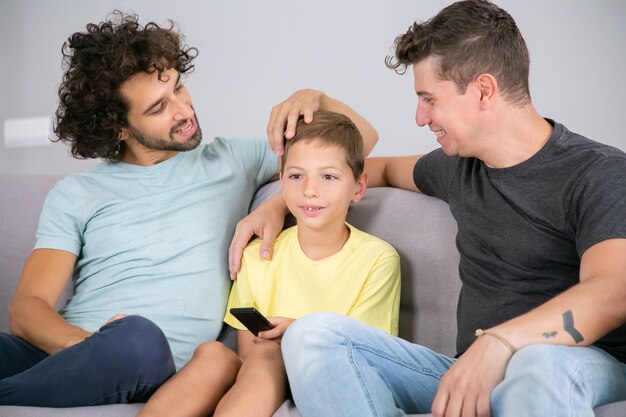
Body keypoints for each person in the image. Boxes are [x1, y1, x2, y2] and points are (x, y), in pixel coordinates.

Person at [0, 11, 378, 407]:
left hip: (146, 358)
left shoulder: (231, 160)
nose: (183, 110)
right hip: (72, 351)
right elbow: (28, 308)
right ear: (119, 128)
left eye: (179, 88)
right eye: (158, 108)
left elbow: (359, 145)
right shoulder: (78, 191)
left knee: (139, 339)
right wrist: (86, 346)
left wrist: (315, 99)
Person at [279, 1, 626, 416]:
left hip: (580, 362)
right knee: (311, 334)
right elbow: (369, 170)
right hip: (468, 370)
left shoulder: (599, 172)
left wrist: (500, 343)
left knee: (538, 362)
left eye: (429, 99)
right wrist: (279, 203)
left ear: (483, 90)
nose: (420, 117)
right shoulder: (457, 168)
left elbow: (613, 292)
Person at [137, 111, 401, 417]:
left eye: (328, 177)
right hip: (259, 371)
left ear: (358, 186)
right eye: (296, 176)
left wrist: (296, 332)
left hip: (325, 372)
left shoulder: (378, 259)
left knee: (268, 354)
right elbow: (248, 348)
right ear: (282, 183)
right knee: (214, 353)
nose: (310, 190)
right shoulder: (257, 255)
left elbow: (366, 352)